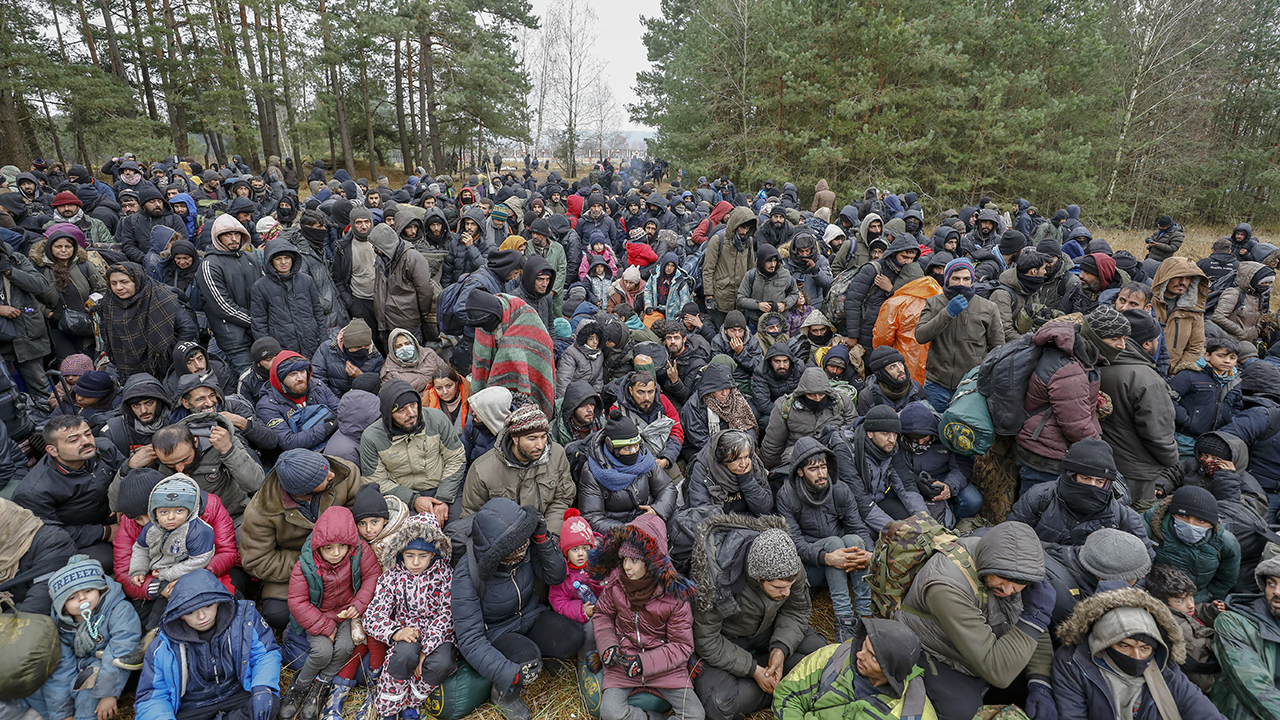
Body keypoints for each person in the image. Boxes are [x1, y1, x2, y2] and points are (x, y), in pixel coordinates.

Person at [900, 521, 1056, 720]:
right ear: (989, 562)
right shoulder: (946, 585)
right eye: (1003, 579)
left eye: (1019, 584)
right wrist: (1035, 617)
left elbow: (1031, 626)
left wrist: (1040, 683)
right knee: (965, 714)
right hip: (934, 650)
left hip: (979, 643)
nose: (1008, 590)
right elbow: (998, 671)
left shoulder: (1016, 571)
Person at [451, 499, 584, 720]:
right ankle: (504, 694)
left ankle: (544, 654)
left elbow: (556, 575)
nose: (524, 549)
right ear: (497, 551)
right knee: (526, 665)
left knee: (572, 636)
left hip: (531, 614)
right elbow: (470, 639)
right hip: (498, 632)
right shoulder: (467, 574)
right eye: (517, 547)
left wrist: (542, 539)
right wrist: (507, 673)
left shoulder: (524, 546)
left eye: (526, 541)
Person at [691, 523, 826, 720]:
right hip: (727, 640)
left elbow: (797, 610)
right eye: (778, 587)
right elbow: (707, 640)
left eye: (790, 585)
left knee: (825, 657)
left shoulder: (791, 565)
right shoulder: (716, 580)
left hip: (769, 629)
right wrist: (753, 670)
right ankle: (785, 679)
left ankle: (772, 672)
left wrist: (780, 649)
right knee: (719, 705)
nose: (786, 593)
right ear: (757, 577)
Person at [587, 513, 705, 720]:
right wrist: (608, 646)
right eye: (624, 559)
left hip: (665, 667)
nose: (626, 567)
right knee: (609, 712)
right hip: (623, 661)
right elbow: (602, 616)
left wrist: (644, 662)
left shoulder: (674, 597)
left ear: (650, 561)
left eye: (634, 560)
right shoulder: (616, 585)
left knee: (695, 715)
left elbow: (682, 646)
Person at [1052, 587, 1226, 720]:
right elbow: (1072, 714)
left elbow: (1200, 709)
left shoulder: (1164, 668)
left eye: (1144, 648)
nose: (1136, 656)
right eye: (1124, 646)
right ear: (1105, 643)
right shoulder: (1074, 665)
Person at [238, 448, 363, 629]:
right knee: (278, 614)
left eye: (325, 468)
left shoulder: (345, 473)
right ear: (303, 491)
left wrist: (345, 550)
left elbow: (362, 517)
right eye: (322, 477)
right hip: (297, 567)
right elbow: (257, 560)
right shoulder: (260, 512)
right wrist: (311, 563)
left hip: (345, 554)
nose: (331, 474)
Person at [134, 569, 283, 720]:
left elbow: (264, 655)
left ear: (218, 601)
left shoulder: (244, 620)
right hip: (192, 707)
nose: (202, 617)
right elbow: (152, 696)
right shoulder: (163, 645)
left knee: (268, 705)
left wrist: (262, 687)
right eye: (190, 612)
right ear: (179, 614)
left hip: (235, 694)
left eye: (207, 606)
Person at [281, 505, 382, 720]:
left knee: (346, 647)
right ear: (318, 547)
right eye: (329, 548)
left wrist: (359, 603)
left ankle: (321, 684)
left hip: (347, 613)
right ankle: (299, 686)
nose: (336, 553)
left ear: (350, 545)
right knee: (322, 652)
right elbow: (297, 602)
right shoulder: (306, 565)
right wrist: (325, 626)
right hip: (318, 616)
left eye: (342, 547)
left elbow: (373, 575)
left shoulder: (359, 552)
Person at [360, 513, 456, 720]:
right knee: (404, 655)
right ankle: (389, 708)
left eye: (423, 556)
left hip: (437, 633)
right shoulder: (393, 576)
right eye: (409, 555)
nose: (415, 562)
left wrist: (426, 650)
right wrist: (395, 632)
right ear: (400, 552)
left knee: (443, 662)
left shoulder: (445, 575)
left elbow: (447, 614)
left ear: (434, 554)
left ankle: (411, 702)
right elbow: (372, 615)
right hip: (406, 630)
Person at [1014, 310, 1122, 494]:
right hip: (1045, 456)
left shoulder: (1079, 357)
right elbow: (1076, 426)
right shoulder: (1070, 370)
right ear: (1097, 337)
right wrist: (1102, 454)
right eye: (1115, 339)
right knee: (1035, 510)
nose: (1122, 345)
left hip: (1044, 446)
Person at [775, 437, 872, 641]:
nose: (821, 474)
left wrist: (868, 553)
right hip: (812, 567)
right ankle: (844, 620)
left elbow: (858, 527)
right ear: (800, 472)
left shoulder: (840, 490)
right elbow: (796, 545)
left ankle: (866, 615)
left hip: (844, 562)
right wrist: (827, 558)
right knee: (834, 543)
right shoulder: (787, 496)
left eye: (823, 467)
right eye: (813, 469)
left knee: (854, 540)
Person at [29, 555, 143, 720]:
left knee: (87, 690)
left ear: (100, 589)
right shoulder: (61, 625)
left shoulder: (120, 610)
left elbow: (121, 650)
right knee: (41, 682)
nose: (82, 598)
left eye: (88, 591)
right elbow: (61, 668)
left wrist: (108, 694)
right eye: (72, 597)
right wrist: (63, 714)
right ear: (63, 607)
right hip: (78, 667)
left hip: (109, 668)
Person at [14, 415, 124, 570]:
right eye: (73, 440)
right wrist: (104, 532)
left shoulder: (103, 448)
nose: (86, 442)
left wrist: (126, 504)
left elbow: (129, 480)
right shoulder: (34, 491)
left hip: (114, 514)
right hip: (80, 533)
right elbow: (50, 535)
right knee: (105, 560)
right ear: (52, 450)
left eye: (88, 434)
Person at [772, 617, 937, 720]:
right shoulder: (834, 657)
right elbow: (787, 695)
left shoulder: (914, 713)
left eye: (872, 656)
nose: (859, 654)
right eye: (864, 645)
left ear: (890, 670)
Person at [1009, 438, 1152, 553]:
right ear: (1071, 476)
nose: (1092, 486)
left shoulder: (1126, 519)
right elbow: (1011, 539)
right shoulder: (1039, 497)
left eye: (1100, 481)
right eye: (1085, 478)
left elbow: (1143, 565)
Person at [460, 403, 576, 536]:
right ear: (515, 439)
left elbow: (563, 498)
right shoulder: (482, 470)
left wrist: (547, 536)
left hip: (546, 534)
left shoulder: (557, 454)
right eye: (531, 438)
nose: (540, 445)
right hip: (502, 540)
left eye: (543, 436)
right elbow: (472, 516)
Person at [359, 378, 464, 522]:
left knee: (458, 528)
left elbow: (456, 458)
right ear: (389, 414)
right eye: (402, 410)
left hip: (443, 488)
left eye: (413, 405)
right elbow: (376, 480)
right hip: (401, 496)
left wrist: (443, 498)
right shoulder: (372, 437)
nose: (411, 414)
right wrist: (414, 499)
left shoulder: (437, 419)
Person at [915, 258, 1005, 412]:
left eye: (966, 278)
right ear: (947, 279)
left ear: (972, 281)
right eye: (955, 278)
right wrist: (947, 313)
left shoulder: (988, 308)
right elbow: (921, 336)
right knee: (934, 430)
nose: (961, 283)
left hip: (971, 387)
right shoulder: (934, 303)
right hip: (937, 385)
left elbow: (997, 348)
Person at [127, 474, 215, 629]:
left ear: (191, 510)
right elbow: (141, 548)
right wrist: (138, 570)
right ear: (154, 512)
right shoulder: (150, 529)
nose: (171, 517)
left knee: (162, 612)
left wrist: (166, 574)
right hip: (155, 575)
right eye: (164, 512)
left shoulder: (198, 531)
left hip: (184, 575)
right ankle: (141, 641)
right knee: (140, 612)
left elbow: (199, 561)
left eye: (179, 510)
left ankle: (157, 638)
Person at [576, 408, 677, 532]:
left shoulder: (644, 459)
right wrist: (628, 530)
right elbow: (593, 518)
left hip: (651, 519)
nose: (634, 452)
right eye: (627, 449)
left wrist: (658, 510)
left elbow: (666, 487)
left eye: (636, 446)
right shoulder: (594, 471)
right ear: (612, 447)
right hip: (618, 531)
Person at [464, 290, 556, 420]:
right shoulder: (481, 317)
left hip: (530, 373)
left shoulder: (524, 314)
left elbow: (542, 343)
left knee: (510, 349)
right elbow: (481, 361)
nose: (485, 328)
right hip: (496, 377)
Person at [1143, 486, 1240, 603]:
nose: (1190, 524)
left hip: (1197, 601)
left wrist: (1201, 600)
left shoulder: (1225, 543)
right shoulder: (1146, 528)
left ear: (1211, 524)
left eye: (1200, 521)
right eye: (1183, 516)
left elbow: (1224, 580)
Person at [895, 401, 983, 522]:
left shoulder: (948, 432)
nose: (920, 443)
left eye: (924, 438)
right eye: (914, 440)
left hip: (943, 476)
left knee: (972, 500)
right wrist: (917, 482)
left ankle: (955, 524)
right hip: (910, 478)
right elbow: (895, 468)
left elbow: (962, 466)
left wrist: (949, 486)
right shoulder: (896, 437)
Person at [34, 224, 107, 362]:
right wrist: (48, 313)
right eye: (58, 246)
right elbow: (29, 297)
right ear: (50, 247)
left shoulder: (83, 264)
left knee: (88, 360)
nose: (63, 250)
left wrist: (92, 304)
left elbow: (102, 288)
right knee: (67, 363)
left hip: (85, 322)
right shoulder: (39, 268)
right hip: (56, 325)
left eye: (68, 247)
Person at [761, 368, 858, 470]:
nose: (817, 399)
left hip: (834, 454)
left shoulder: (842, 403)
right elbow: (774, 442)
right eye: (811, 395)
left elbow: (852, 435)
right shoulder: (784, 407)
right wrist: (771, 471)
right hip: (798, 456)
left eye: (821, 394)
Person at [1145, 563, 1220, 691]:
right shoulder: (1178, 628)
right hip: (1210, 682)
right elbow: (1201, 653)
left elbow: (1195, 611)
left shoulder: (1180, 611)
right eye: (1181, 600)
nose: (1190, 604)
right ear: (1163, 603)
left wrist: (1213, 610)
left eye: (1191, 596)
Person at [842, 235, 922, 348]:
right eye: (904, 257)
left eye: (912, 258)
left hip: (893, 334)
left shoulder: (910, 273)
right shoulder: (872, 269)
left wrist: (891, 289)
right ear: (894, 253)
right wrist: (852, 334)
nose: (908, 262)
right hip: (867, 331)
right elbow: (853, 301)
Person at [250, 237, 325, 359]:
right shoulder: (260, 286)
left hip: (311, 341)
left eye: (287, 258)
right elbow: (259, 322)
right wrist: (268, 350)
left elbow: (317, 311)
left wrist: (323, 337)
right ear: (270, 261)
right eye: (278, 259)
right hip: (283, 345)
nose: (283, 262)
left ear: (293, 259)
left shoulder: (306, 280)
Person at [255, 351, 341, 451]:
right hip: (301, 458)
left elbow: (341, 413)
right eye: (293, 374)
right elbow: (288, 442)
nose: (300, 378)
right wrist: (326, 428)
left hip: (333, 443)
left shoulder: (317, 386)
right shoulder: (267, 406)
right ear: (280, 379)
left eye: (303, 371)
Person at [873, 274, 942, 387]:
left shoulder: (895, 303)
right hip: (937, 368)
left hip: (903, 364)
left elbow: (882, 339)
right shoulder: (943, 303)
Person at [1152, 257, 1208, 375]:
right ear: (1165, 277)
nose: (1183, 282)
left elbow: (1196, 346)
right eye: (1178, 276)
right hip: (1145, 371)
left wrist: (1176, 372)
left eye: (1188, 278)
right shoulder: (1147, 303)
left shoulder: (1194, 310)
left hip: (1173, 373)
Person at [703, 206, 757, 325]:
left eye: (748, 228)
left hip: (740, 297)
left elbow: (751, 268)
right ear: (735, 225)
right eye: (742, 227)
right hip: (721, 298)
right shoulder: (717, 240)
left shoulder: (748, 241)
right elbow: (708, 270)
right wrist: (709, 296)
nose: (744, 231)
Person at [311, 318, 384, 397]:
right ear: (347, 346)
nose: (363, 350)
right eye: (357, 347)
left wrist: (361, 378)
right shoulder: (327, 350)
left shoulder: (375, 357)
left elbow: (377, 390)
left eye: (366, 346)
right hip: (332, 400)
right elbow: (317, 381)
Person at [1212, 261, 1273, 344]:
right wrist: (1241, 332)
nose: (1266, 286)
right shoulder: (1234, 293)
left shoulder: (1259, 296)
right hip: (1230, 342)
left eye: (1269, 283)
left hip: (1249, 343)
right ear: (1252, 280)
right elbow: (1218, 317)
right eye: (1263, 283)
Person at [378, 326, 448, 394]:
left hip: (442, 393)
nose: (404, 348)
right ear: (393, 349)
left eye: (407, 343)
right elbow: (395, 396)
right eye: (399, 346)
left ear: (413, 343)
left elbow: (447, 372)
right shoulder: (389, 372)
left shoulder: (429, 354)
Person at [858, 346, 926, 414]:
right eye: (892, 367)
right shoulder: (867, 397)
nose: (900, 369)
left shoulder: (915, 388)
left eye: (900, 363)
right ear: (882, 373)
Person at [557, 319, 605, 398]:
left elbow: (598, 379)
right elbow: (564, 380)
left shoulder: (599, 355)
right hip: (572, 395)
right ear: (583, 337)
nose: (595, 342)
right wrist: (563, 401)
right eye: (591, 338)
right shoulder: (571, 353)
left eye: (597, 338)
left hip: (588, 396)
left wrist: (596, 393)